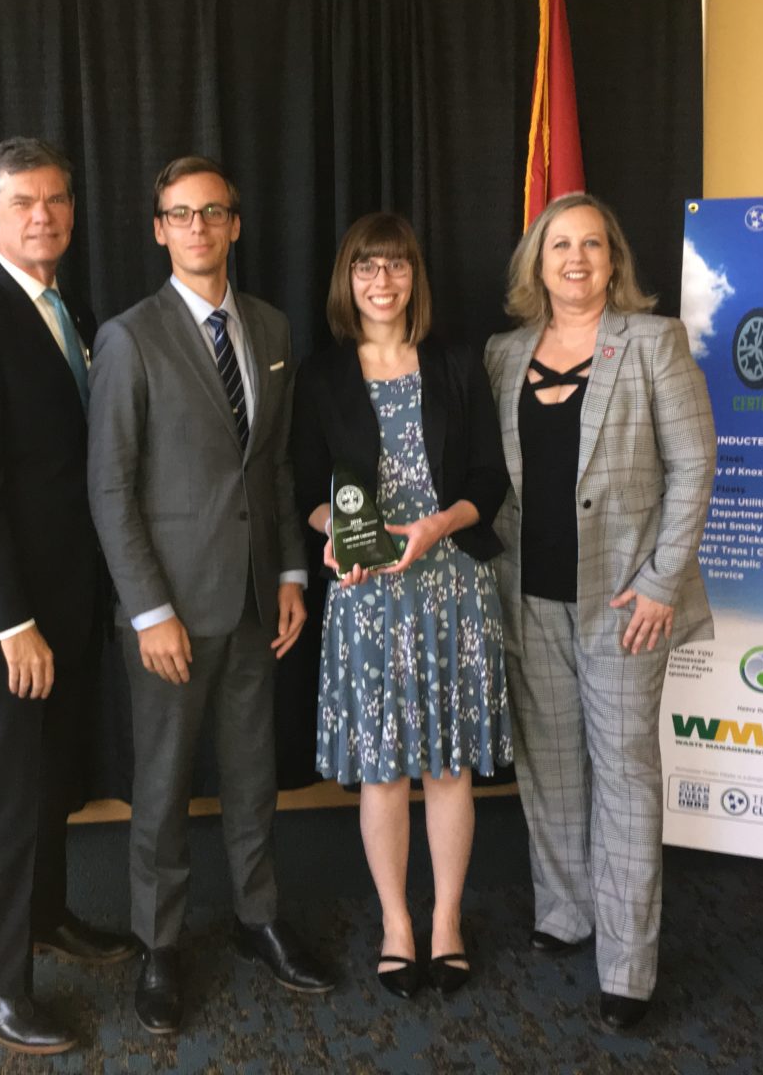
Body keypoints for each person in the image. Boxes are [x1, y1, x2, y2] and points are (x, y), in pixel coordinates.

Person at [87, 155, 334, 1035]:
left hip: (257, 601)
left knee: (252, 775)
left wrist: (294, 573)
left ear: (235, 224)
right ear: (159, 230)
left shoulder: (268, 325)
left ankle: (257, 917)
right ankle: (159, 946)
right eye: (180, 215)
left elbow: (269, 468)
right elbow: (111, 487)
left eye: (213, 213)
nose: (198, 228)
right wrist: (149, 609)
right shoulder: (128, 337)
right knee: (160, 787)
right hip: (170, 616)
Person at [0, 137, 135, 1057]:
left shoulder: (64, 308)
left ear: (72, 211)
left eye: (56, 200)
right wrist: (15, 624)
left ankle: (47, 919)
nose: (43, 215)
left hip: (67, 604)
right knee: (7, 801)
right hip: (3, 620)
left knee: (51, 788)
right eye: (24, 202)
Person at [484, 192, 716, 1032]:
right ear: (535, 267)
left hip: (624, 602)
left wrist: (661, 582)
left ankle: (627, 962)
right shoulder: (503, 356)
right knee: (548, 763)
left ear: (613, 260)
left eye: (590, 245)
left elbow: (695, 468)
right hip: (528, 591)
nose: (574, 259)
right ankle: (566, 915)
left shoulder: (654, 343)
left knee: (623, 772)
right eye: (558, 248)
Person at [290, 212, 512, 1000]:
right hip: (366, 595)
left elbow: (488, 479)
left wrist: (441, 522)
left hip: (452, 584)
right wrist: (335, 537)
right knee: (383, 773)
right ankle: (397, 923)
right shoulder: (321, 376)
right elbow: (307, 491)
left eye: (395, 266)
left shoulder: (456, 364)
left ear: (415, 276)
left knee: (448, 769)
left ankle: (447, 918)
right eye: (365, 267)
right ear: (347, 282)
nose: (381, 281)